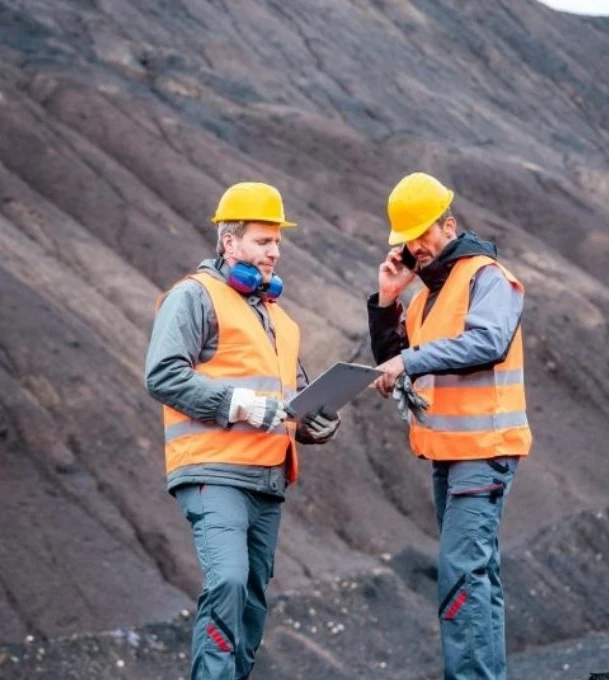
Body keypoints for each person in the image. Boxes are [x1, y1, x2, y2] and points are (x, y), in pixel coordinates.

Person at [144, 181, 340, 680]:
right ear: (229, 242)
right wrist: (238, 404)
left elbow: (291, 402)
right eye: (262, 241)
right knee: (228, 583)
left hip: (267, 480)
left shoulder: (281, 321)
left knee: (251, 605)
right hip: (214, 472)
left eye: (277, 242)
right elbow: (163, 374)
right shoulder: (194, 296)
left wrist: (319, 421)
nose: (274, 252)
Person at [366, 172, 531, 680]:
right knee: (479, 577)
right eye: (407, 240)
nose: (416, 246)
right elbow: (396, 360)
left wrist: (409, 362)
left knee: (461, 577)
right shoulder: (423, 299)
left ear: (449, 225)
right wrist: (388, 299)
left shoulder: (487, 277)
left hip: (484, 449)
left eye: (423, 234)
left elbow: (488, 342)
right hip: (448, 452)